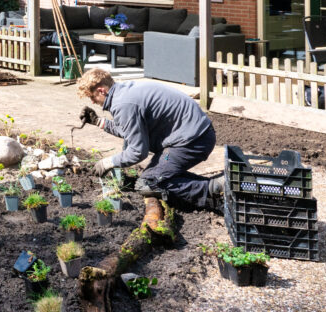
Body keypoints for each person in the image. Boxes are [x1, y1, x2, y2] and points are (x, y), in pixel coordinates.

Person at [77, 68, 223, 211]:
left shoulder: (123, 104)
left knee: (148, 182)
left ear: (101, 90)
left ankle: (215, 190)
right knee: (158, 174)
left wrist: (108, 162)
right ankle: (211, 185)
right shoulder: (124, 92)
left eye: (92, 97)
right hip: (192, 133)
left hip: (194, 140)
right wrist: (98, 122)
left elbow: (138, 152)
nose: (93, 102)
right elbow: (131, 131)